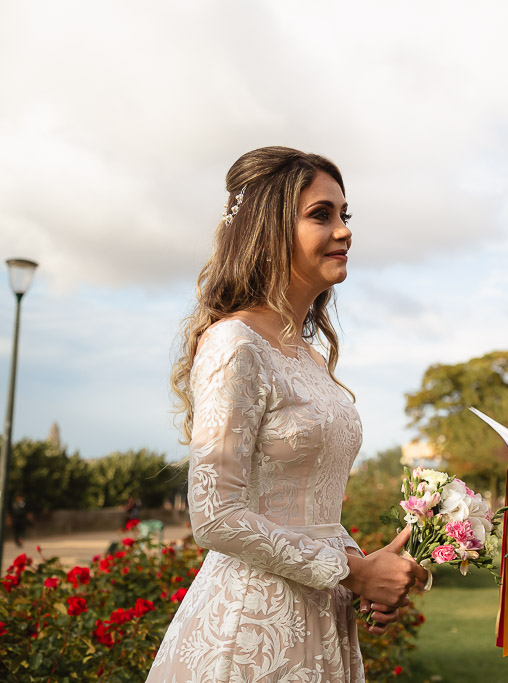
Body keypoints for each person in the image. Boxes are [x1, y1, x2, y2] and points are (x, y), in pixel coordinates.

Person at [148, 146, 428, 682]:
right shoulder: (236, 344)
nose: (344, 230)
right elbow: (217, 516)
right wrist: (353, 571)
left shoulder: (310, 357)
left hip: (322, 618)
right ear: (269, 228)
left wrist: (367, 570)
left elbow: (304, 503)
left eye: (345, 215)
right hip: (252, 629)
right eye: (321, 215)